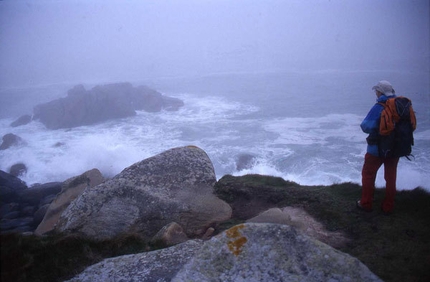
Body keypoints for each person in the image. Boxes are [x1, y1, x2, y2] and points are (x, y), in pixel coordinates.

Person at [357, 80, 399, 214]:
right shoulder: (400, 105)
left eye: (376, 90)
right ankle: (388, 206)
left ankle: (366, 203)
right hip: (395, 148)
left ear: (380, 92)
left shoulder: (379, 106)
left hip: (376, 149)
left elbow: (365, 126)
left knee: (368, 174)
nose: (376, 93)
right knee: (391, 177)